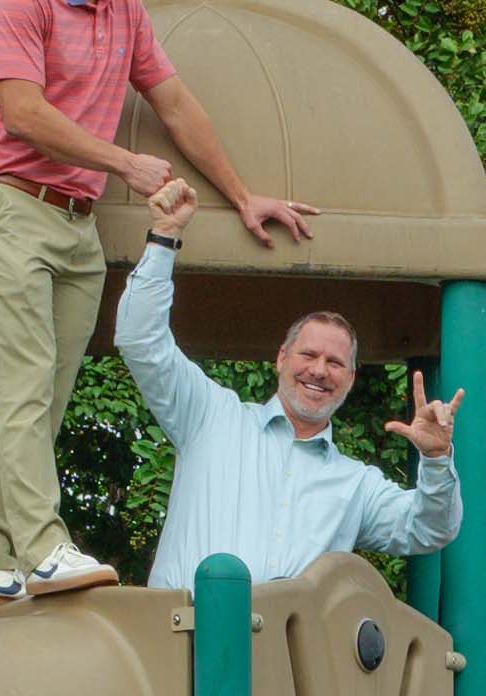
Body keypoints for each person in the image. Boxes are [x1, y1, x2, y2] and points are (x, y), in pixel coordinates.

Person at [0, 0, 314, 612]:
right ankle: (43, 547)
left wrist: (242, 198)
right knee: (21, 391)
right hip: (8, 209)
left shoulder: (125, 8)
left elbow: (173, 102)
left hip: (76, 228)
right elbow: (21, 112)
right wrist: (125, 162)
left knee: (43, 401)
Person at [124, 174, 461, 589]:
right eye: (308, 355)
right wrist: (164, 238)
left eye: (335, 362)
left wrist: (436, 459)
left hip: (288, 654)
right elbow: (141, 342)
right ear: (281, 359)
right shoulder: (210, 416)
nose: (319, 370)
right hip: (179, 643)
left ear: (351, 379)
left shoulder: (354, 483)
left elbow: (429, 530)